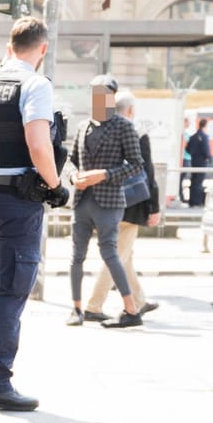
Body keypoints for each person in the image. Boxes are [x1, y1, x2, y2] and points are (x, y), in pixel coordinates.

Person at [0, 17, 69, 413]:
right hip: (17, 203)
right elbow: (39, 143)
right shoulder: (35, 85)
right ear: (42, 49)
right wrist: (55, 186)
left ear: (10, 46)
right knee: (11, 292)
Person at [62, 74, 146, 329]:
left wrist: (105, 174)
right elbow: (70, 160)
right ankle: (77, 309)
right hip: (83, 199)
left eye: (104, 94)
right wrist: (73, 175)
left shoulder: (123, 126)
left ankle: (131, 310)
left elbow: (136, 164)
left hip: (109, 200)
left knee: (110, 254)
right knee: (77, 256)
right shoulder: (82, 126)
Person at [87, 90, 162, 320]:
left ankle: (139, 301)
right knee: (118, 256)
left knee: (124, 254)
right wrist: (154, 206)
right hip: (130, 204)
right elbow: (147, 172)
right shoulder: (137, 134)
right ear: (130, 111)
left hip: (102, 201)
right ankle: (93, 307)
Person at [183, 118, 211, 208]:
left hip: (194, 161)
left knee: (194, 180)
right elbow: (206, 150)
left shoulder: (193, 136)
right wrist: (208, 158)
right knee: (199, 182)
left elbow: (187, 149)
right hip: (202, 162)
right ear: (205, 126)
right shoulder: (204, 136)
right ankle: (197, 202)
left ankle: (192, 201)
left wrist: (193, 154)